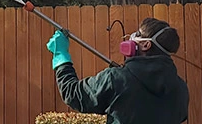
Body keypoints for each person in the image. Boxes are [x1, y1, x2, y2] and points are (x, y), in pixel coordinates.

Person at [46, 17, 189, 124]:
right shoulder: (181, 88)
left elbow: (73, 93)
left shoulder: (116, 79)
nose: (132, 37)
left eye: (138, 33)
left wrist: (61, 56)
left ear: (146, 44)